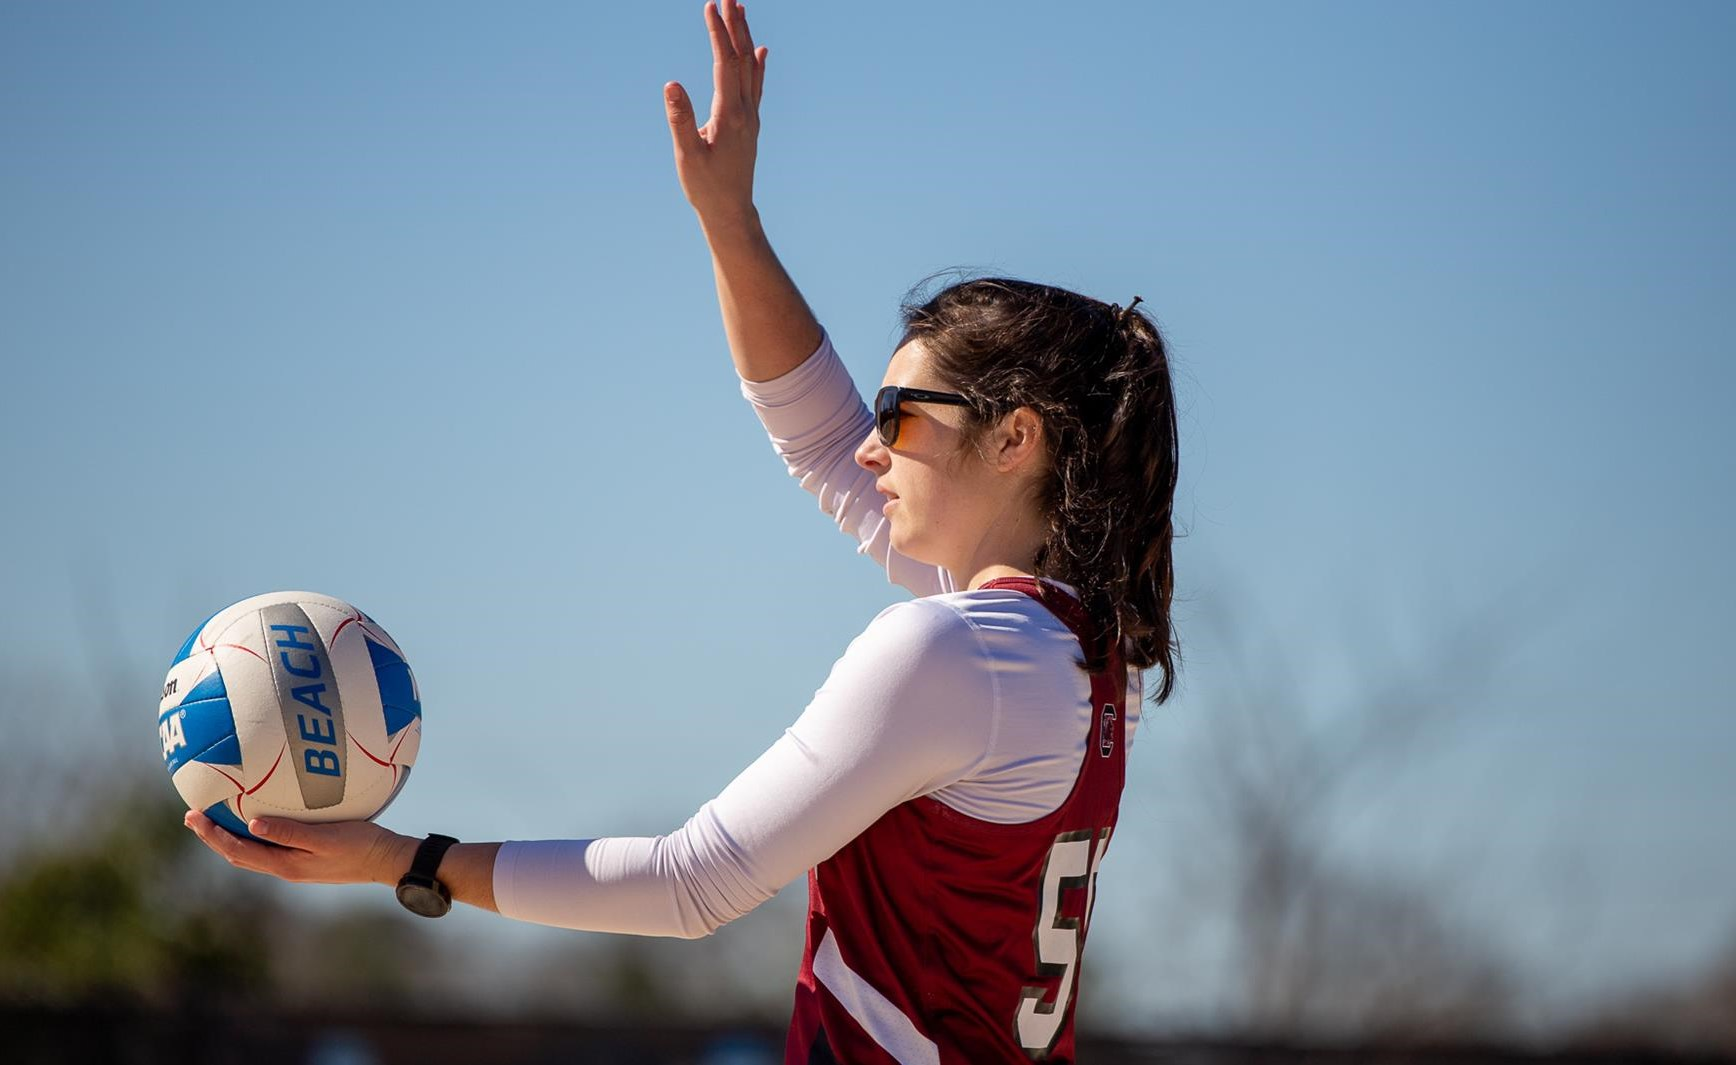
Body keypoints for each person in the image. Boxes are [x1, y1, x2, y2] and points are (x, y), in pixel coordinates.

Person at [183, 3, 1180, 1061]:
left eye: (903, 417)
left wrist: (403, 860)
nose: (872, 448)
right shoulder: (1079, 652)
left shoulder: (953, 654)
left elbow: (690, 885)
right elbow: (820, 435)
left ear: (1015, 438)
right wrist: (730, 223)